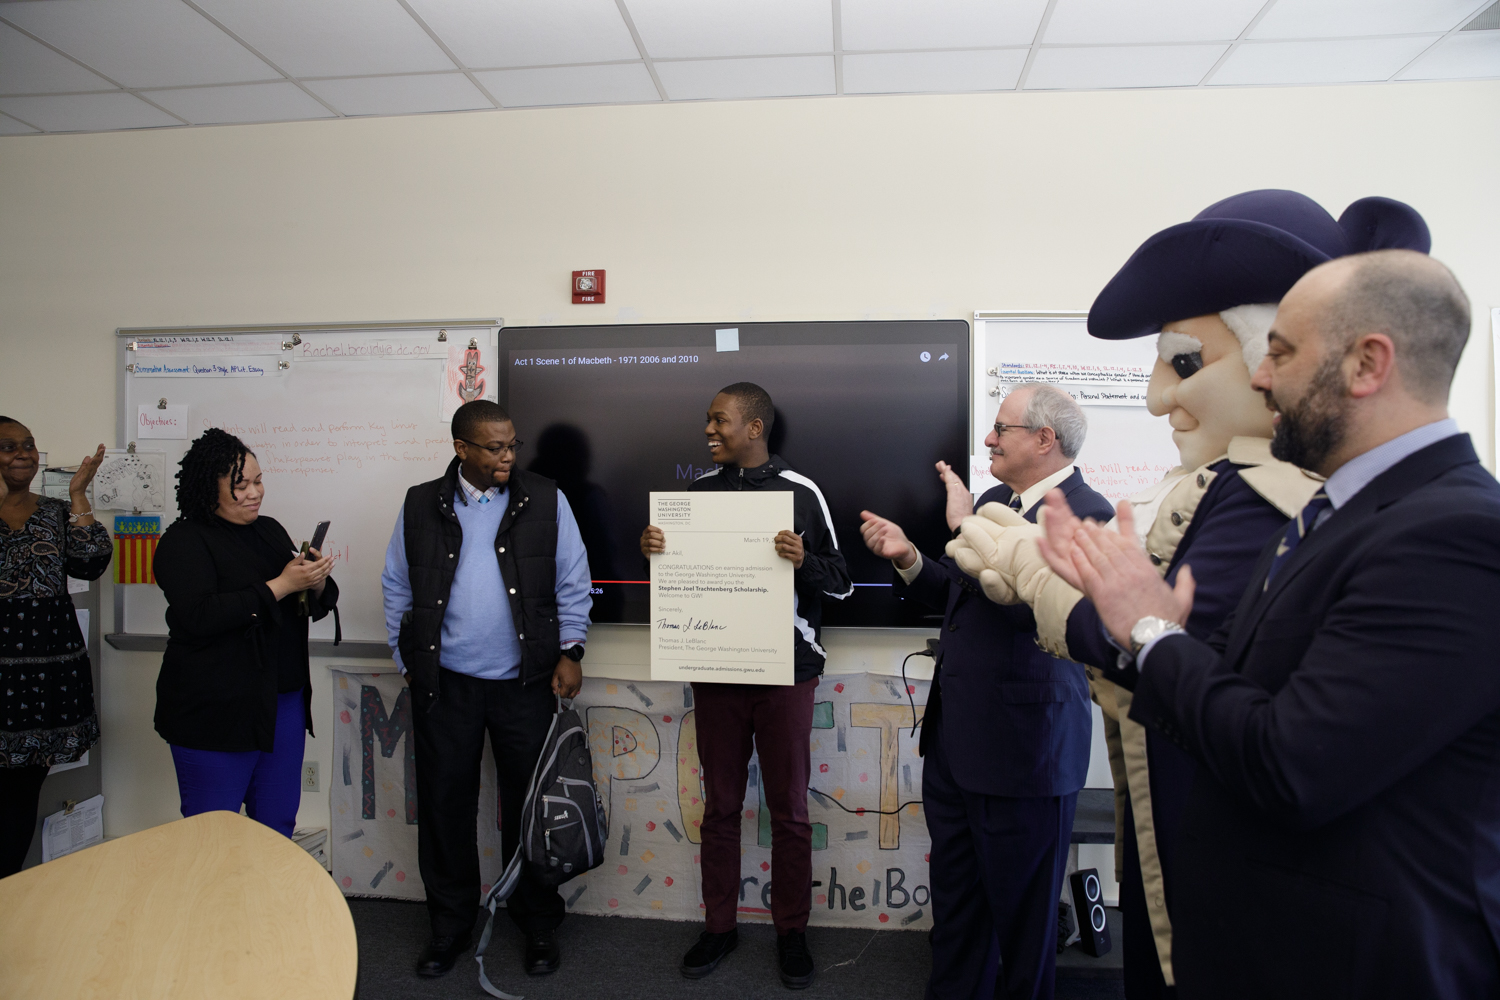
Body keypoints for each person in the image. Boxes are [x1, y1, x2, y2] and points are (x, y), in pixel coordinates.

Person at [947, 189, 1429, 998]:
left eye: (1184, 363)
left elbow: (1158, 655)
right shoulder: (1239, 490)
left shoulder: (1275, 496)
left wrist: (1035, 569)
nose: (1155, 398)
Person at [1035, 250, 1500, 999]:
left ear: (1367, 364)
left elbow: (1292, 765)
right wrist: (1148, 632)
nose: (1260, 376)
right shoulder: (1335, 514)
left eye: (1280, 353)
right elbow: (1240, 688)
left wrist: (1151, 630)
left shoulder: (1453, 534)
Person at [860, 384, 1113, 1000]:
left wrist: (971, 531)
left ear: (1044, 440)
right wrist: (911, 559)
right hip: (955, 748)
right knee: (958, 911)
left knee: (1025, 928)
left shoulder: (1089, 514)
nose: (989, 440)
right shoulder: (996, 500)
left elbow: (1047, 619)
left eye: (1001, 428)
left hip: (1026, 755)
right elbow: (959, 595)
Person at [639, 382, 850, 990]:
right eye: (707, 420)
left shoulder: (801, 492)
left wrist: (801, 558)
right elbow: (678, 580)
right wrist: (652, 550)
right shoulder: (697, 494)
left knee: (787, 810)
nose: (708, 430)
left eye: (719, 420)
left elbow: (842, 585)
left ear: (754, 427)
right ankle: (720, 926)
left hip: (786, 672)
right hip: (717, 669)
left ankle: (792, 932)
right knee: (721, 806)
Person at [381, 399, 592, 980]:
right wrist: (406, 660)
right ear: (462, 449)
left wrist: (571, 650)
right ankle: (449, 927)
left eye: (512, 445)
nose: (508, 456)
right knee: (446, 807)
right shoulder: (420, 502)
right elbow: (398, 585)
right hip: (444, 685)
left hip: (525, 683)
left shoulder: (546, 498)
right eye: (495, 447)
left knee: (531, 811)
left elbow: (574, 578)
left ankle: (538, 925)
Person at [153, 428, 338, 840]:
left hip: (282, 701)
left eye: (258, 481)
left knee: (276, 827)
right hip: (215, 709)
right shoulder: (182, 541)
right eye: (241, 485)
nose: (255, 493)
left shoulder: (268, 529)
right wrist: (283, 585)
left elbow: (306, 604)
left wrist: (314, 580)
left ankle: (267, 907)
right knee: (214, 834)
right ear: (209, 487)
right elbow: (199, 616)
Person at [0, 420, 107, 877]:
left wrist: (80, 496)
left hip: (44, 677)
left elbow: (91, 563)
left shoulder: (58, 512)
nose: (23, 454)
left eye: (29, 446)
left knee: (20, 794)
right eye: (9, 447)